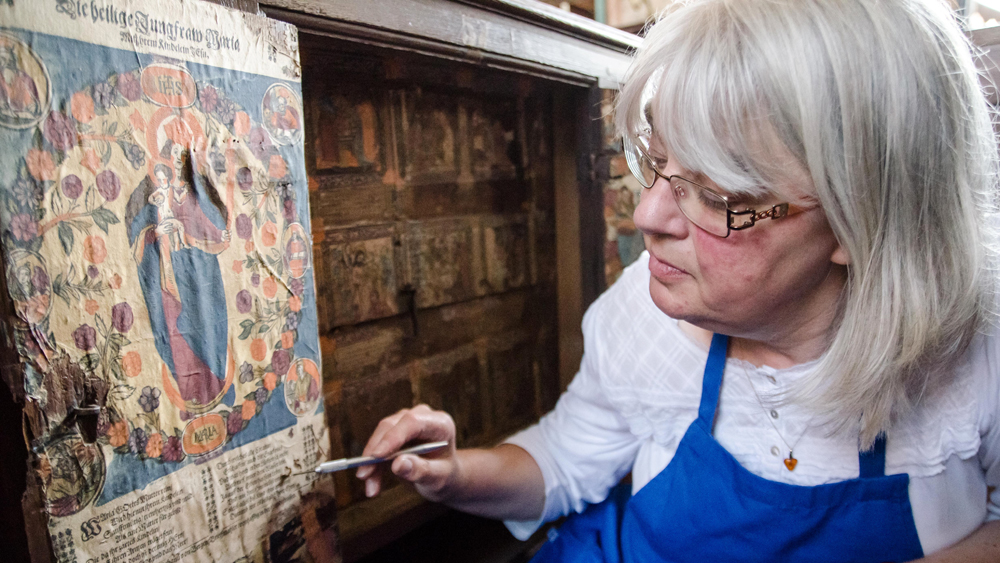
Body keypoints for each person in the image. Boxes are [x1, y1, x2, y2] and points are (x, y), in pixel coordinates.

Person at [355, 0, 1000, 560]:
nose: (648, 216)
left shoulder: (977, 355)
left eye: (716, 195)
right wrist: (453, 473)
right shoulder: (647, 310)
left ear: (859, 222)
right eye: (657, 164)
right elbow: (564, 459)